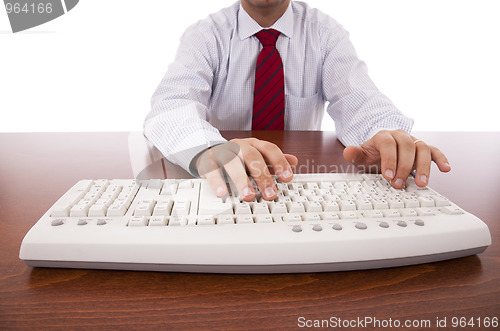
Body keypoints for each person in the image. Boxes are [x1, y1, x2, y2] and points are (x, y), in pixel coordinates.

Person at [144, 0, 451, 202]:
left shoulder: (326, 33)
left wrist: (384, 134)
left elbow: (359, 98)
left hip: (298, 183)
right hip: (225, 185)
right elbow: (170, 107)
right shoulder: (205, 35)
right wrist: (207, 149)